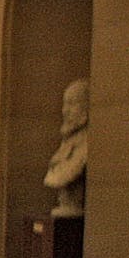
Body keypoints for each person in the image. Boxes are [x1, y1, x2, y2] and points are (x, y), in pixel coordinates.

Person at [44, 78, 88, 217]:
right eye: (65, 104)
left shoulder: (87, 146)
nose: (65, 111)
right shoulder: (67, 143)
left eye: (72, 104)